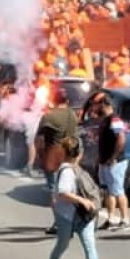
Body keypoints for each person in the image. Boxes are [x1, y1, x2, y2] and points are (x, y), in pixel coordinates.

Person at [45, 136, 115, 259]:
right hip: (67, 216)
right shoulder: (67, 172)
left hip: (83, 216)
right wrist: (82, 201)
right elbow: (62, 192)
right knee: (62, 245)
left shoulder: (76, 170)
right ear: (79, 154)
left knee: (89, 245)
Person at [37, 89, 80, 235]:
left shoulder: (49, 116)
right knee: (68, 191)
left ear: (54, 99)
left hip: (53, 155)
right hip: (69, 155)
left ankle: (59, 223)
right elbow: (76, 137)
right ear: (67, 101)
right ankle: (70, 221)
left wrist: (39, 154)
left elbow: (40, 139)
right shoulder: (73, 115)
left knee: (54, 191)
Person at [95, 96, 130, 230]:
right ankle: (110, 218)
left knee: (118, 190)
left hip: (115, 162)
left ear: (105, 104)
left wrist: (114, 157)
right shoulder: (105, 120)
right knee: (108, 190)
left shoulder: (115, 119)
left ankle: (125, 219)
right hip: (105, 161)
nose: (96, 107)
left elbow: (121, 138)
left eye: (98, 104)